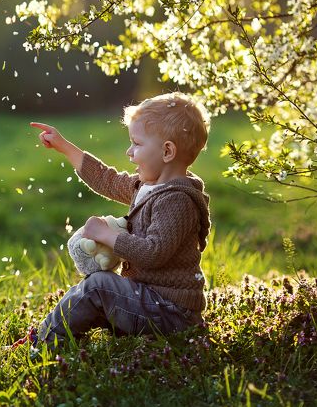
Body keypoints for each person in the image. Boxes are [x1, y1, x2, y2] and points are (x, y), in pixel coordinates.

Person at [18, 92, 211, 348]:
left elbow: (154, 253)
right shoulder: (147, 186)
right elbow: (105, 179)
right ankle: (60, 332)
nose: (129, 152)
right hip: (150, 303)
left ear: (167, 151)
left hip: (170, 314)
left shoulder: (176, 201)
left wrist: (107, 235)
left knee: (99, 285)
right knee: (98, 287)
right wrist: (65, 147)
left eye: (137, 144)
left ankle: (44, 342)